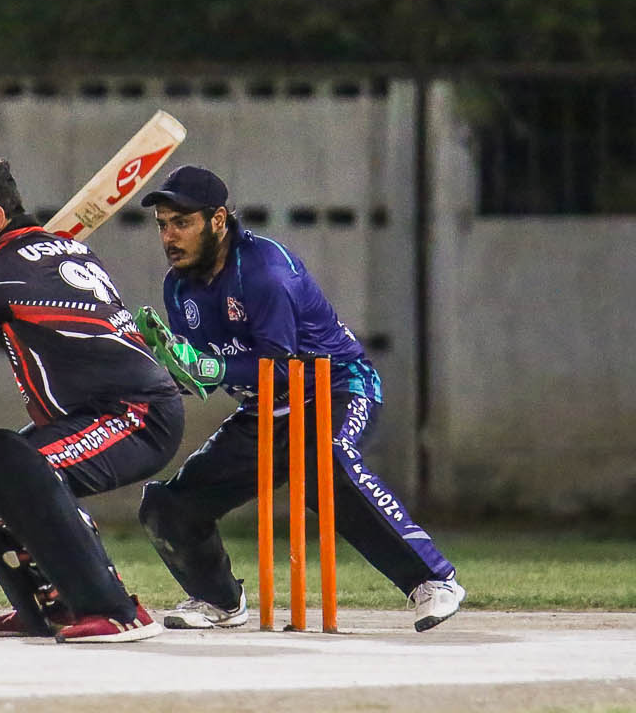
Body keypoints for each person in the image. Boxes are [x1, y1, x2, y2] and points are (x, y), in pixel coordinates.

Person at [131, 164, 466, 632]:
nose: (170, 236)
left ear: (218, 220)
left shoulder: (265, 272)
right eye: (163, 224)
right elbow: (203, 375)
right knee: (168, 506)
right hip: (266, 408)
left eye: (182, 223)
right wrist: (168, 366)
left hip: (335, 388)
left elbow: (281, 366)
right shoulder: (179, 285)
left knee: (324, 463)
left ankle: (433, 580)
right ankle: (218, 600)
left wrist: (212, 368)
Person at [0, 150, 184, 643]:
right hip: (93, 415)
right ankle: (48, 605)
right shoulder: (68, 250)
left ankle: (117, 610)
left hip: (135, 414)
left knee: (10, 458)